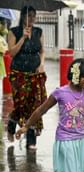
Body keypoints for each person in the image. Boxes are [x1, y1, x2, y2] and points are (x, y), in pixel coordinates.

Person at [15, 58, 84, 172]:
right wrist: (26, 127)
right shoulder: (60, 92)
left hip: (82, 140)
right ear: (74, 74)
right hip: (66, 140)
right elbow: (41, 110)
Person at [6, 6, 47, 149]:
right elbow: (11, 53)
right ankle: (11, 124)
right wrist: (22, 38)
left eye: (33, 16)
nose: (31, 19)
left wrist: (41, 64)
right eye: (29, 16)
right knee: (20, 105)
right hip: (18, 74)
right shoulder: (14, 32)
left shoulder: (38, 32)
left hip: (34, 73)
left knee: (34, 105)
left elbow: (42, 51)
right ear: (23, 16)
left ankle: (31, 139)